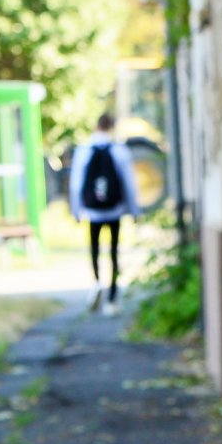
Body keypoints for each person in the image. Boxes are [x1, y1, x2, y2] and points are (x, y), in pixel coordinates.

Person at [68, 114, 141, 310]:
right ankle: (113, 297)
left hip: (92, 211)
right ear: (112, 127)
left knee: (94, 248)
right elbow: (129, 183)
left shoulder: (83, 151)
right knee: (114, 252)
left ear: (95, 126)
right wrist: (134, 210)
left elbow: (76, 185)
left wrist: (76, 211)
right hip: (115, 209)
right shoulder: (120, 150)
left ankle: (97, 283)